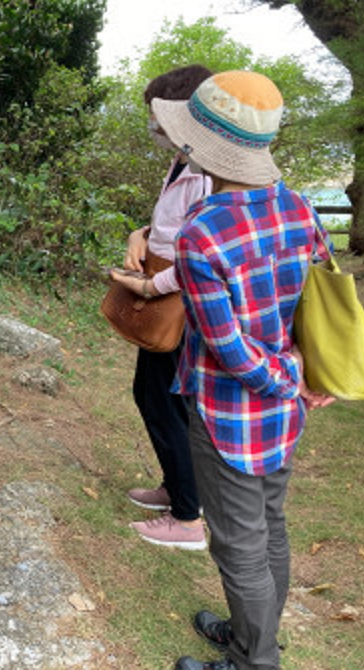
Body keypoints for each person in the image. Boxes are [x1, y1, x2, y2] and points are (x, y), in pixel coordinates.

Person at [150, 71, 335, 670]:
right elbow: (320, 296)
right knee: (269, 526)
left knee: (238, 544)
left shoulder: (203, 232)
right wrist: (302, 376)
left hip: (228, 412)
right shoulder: (299, 207)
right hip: (284, 409)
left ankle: (253, 659)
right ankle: (255, 635)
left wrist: (288, 379)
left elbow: (227, 349)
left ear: (203, 146)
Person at [110, 65, 213, 550]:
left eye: (158, 115)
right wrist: (141, 234)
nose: (153, 125)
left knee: (165, 399)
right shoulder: (183, 162)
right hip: (164, 289)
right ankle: (176, 487)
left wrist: (152, 287)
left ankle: (188, 517)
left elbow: (202, 252)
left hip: (181, 300)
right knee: (154, 393)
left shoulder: (208, 174)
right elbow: (173, 227)